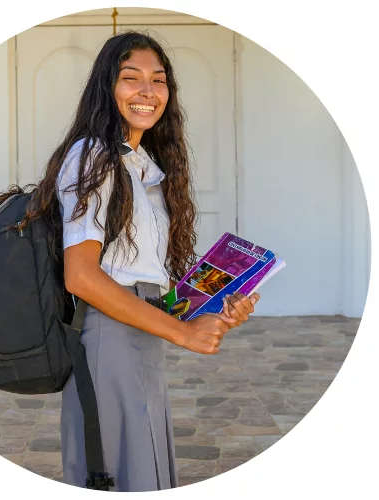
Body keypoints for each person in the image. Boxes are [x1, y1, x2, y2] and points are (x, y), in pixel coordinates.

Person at [22, 30, 260, 492]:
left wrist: (214, 313)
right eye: (131, 78)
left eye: (159, 79)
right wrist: (185, 334)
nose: (148, 91)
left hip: (139, 338)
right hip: (106, 343)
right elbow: (83, 277)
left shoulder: (140, 165)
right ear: (106, 89)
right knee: (118, 473)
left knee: (144, 469)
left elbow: (137, 275)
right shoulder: (92, 157)